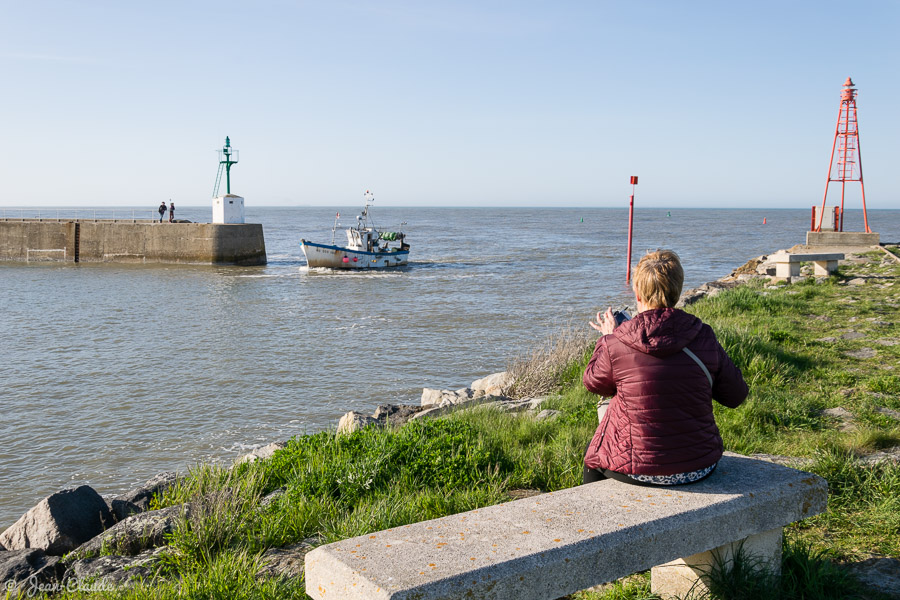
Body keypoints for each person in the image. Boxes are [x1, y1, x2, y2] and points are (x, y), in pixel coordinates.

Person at [582, 249, 748, 487]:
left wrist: (607, 338)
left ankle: (595, 516)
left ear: (637, 294)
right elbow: (736, 395)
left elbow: (593, 382)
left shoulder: (616, 342)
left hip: (635, 470)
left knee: (595, 451)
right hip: (699, 465)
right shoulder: (703, 335)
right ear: (677, 291)